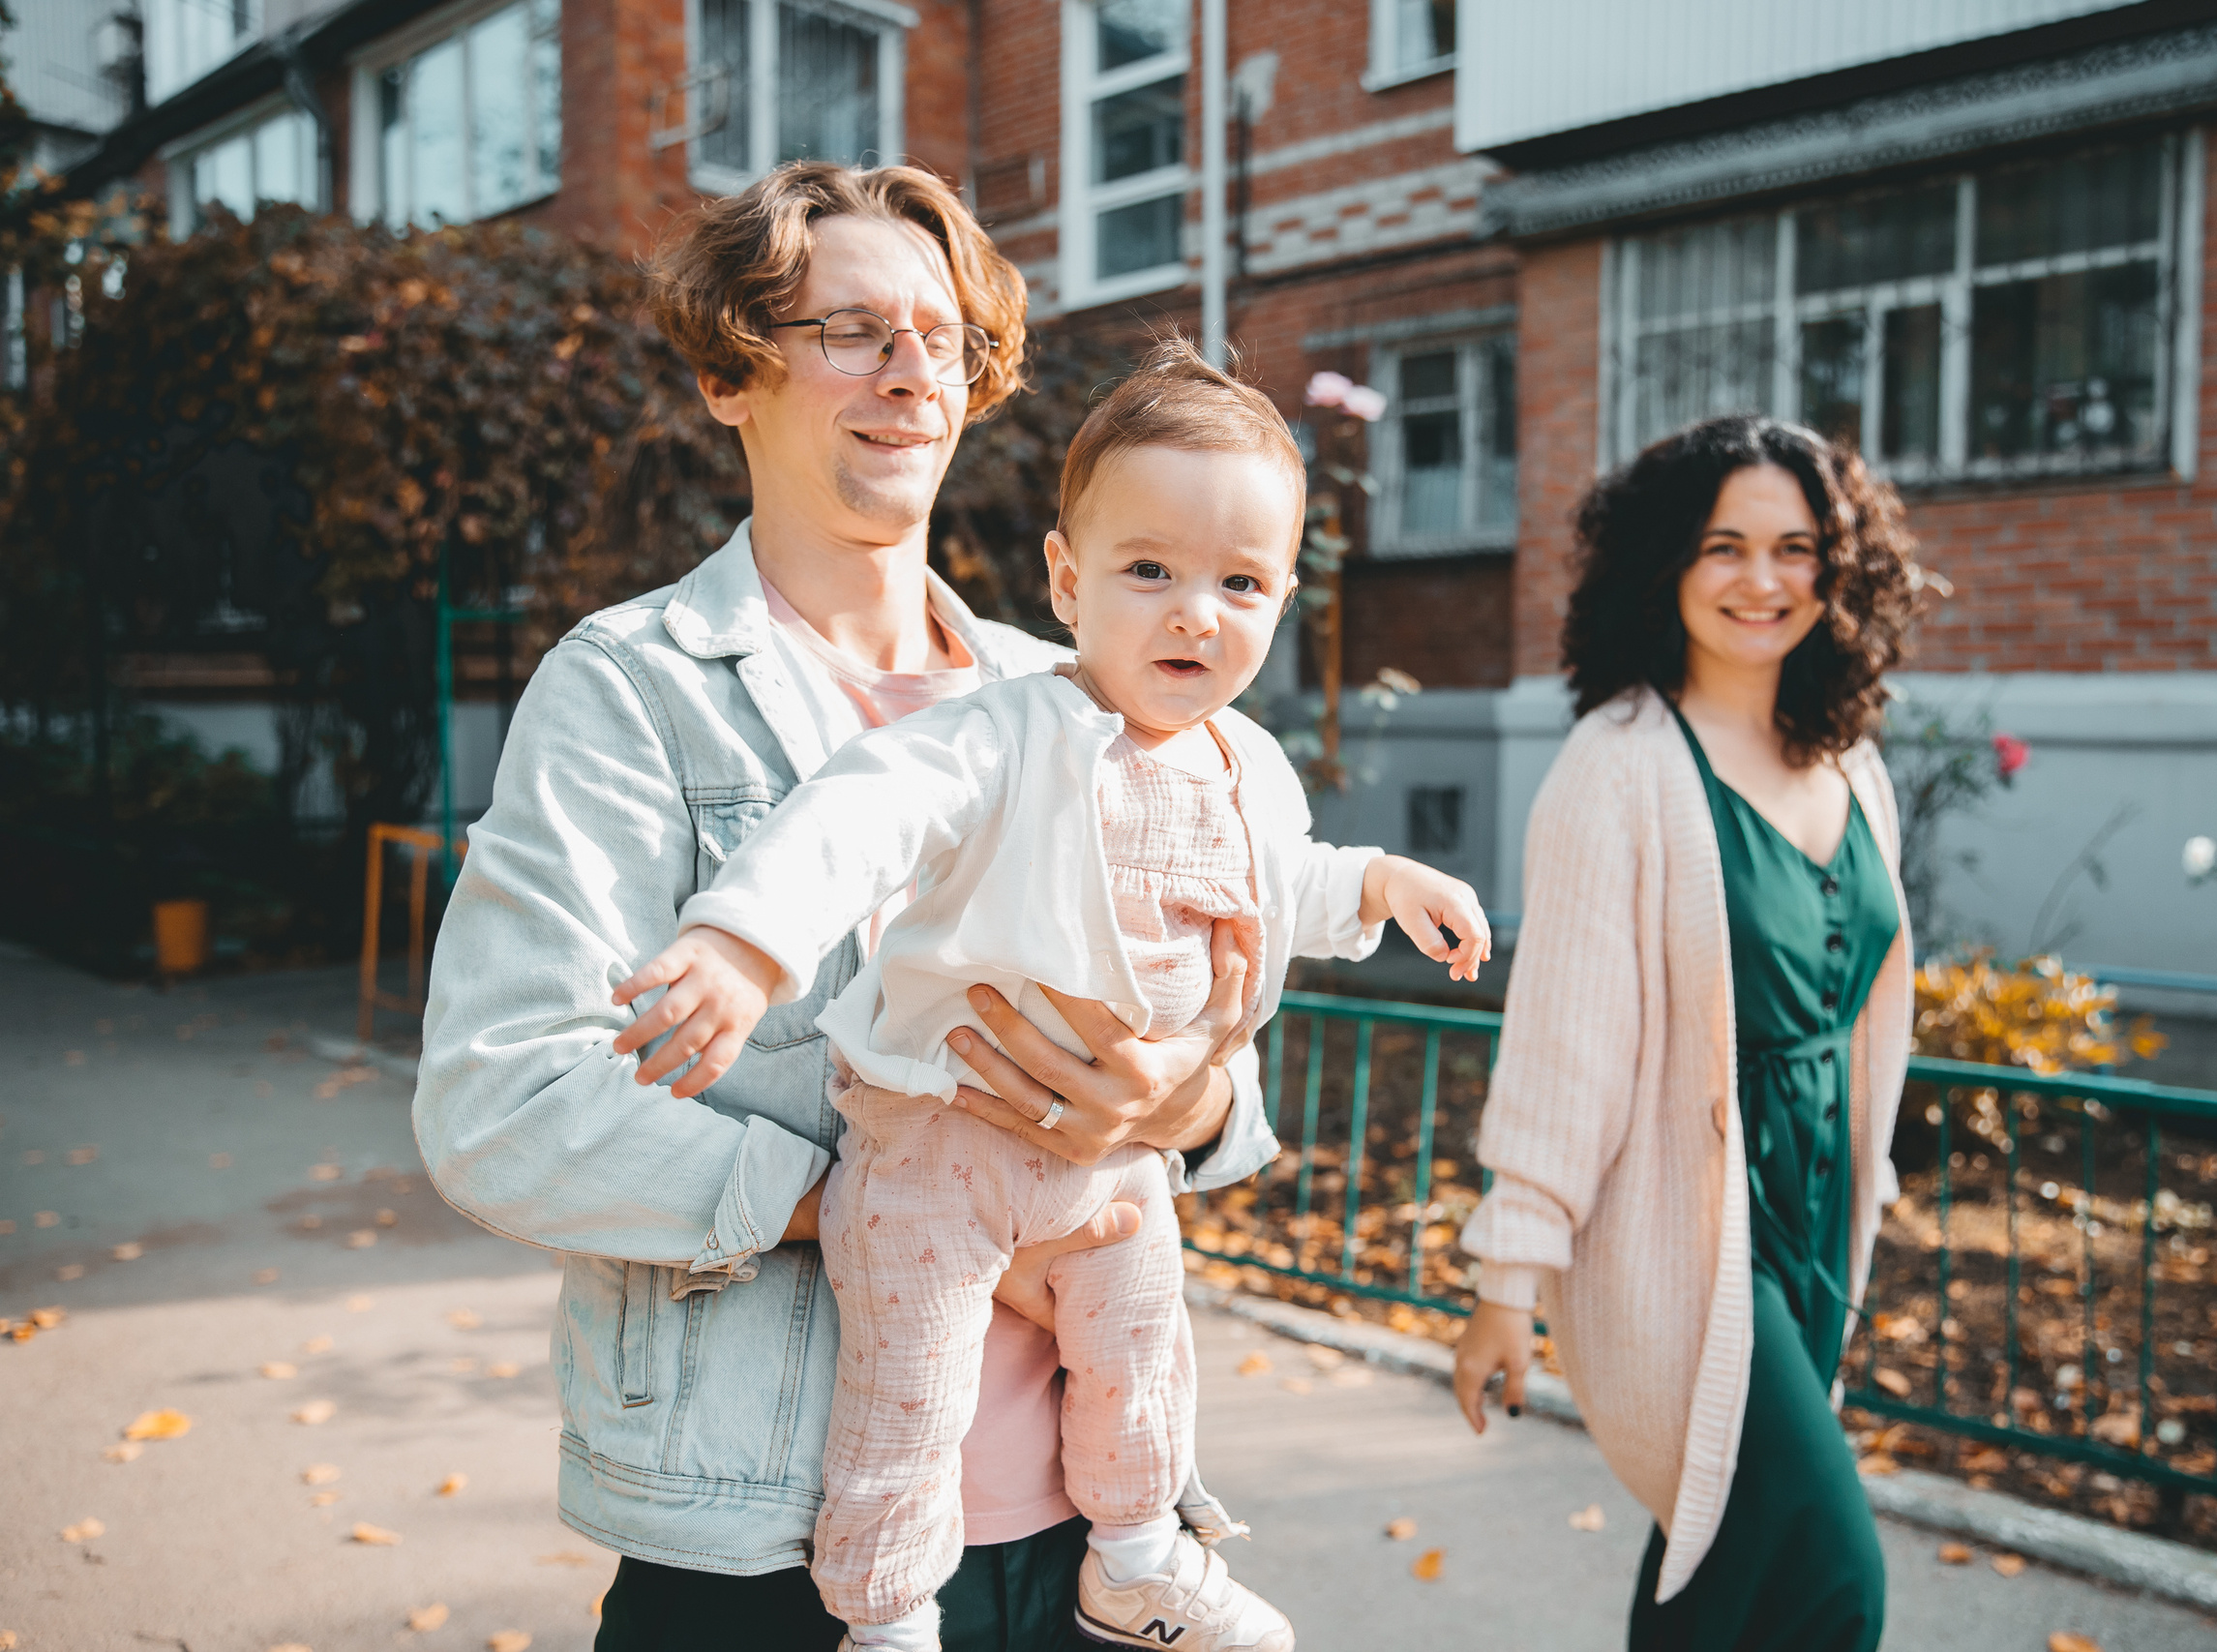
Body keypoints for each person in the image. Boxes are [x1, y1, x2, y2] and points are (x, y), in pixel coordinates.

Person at [413, 164, 1278, 1651]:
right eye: (851, 331)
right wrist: (891, 1209)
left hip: (1085, 1535)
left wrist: (1184, 1095)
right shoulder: (633, 692)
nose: (910, 373)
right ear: (728, 375)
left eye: (942, 338)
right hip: (765, 1543)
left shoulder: (1076, 689)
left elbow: (1223, 1052)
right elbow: (504, 1101)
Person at [614, 339, 1490, 1652]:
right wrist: (744, 944)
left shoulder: (1246, 764)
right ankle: (889, 1614)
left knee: (1143, 1356)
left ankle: (1134, 1554)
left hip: (1112, 1169)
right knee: (909, 1390)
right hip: (939, 1142)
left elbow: (1284, 880)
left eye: (1239, 582)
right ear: (1068, 580)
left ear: (1282, 600)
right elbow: (859, 818)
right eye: (1150, 571)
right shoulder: (1004, 731)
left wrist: (1380, 884)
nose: (1194, 614)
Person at [1449, 414, 1925, 1651]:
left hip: (1817, 1211)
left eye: (1795, 548)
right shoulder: (1617, 766)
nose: (1762, 580)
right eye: (1724, 547)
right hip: (1688, 1221)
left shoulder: (1851, 764)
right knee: (1833, 1582)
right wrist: (1507, 1280)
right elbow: (1564, 1050)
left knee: (1724, 1556)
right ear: (1664, 562)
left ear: (1838, 568)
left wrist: (1867, 1176)